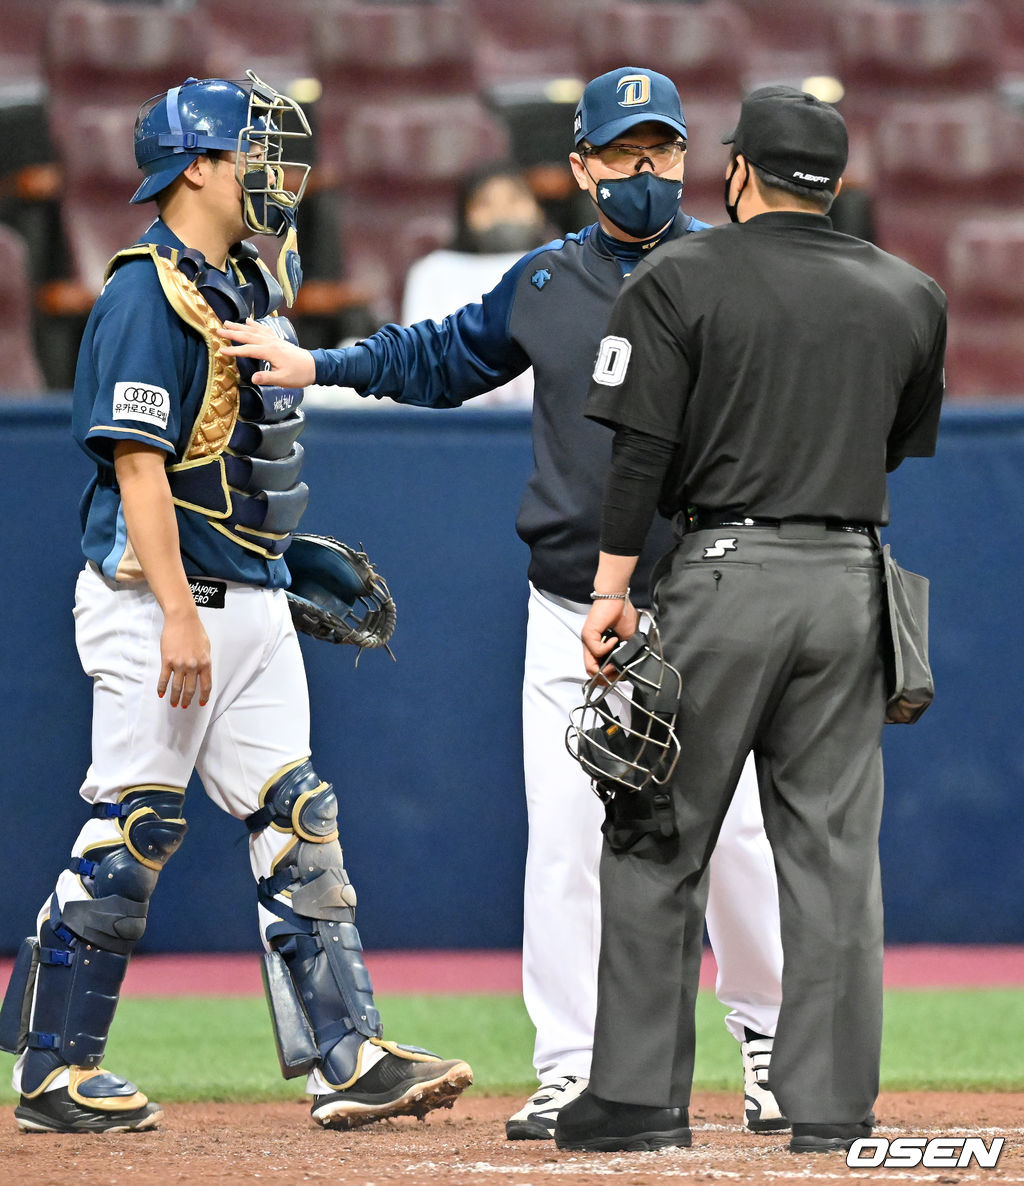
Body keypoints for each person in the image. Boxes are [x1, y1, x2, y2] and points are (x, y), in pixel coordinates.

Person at [220, 66, 787, 1141]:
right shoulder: (545, 282)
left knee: (738, 835)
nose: (644, 172)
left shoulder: (733, 270)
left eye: (660, 151)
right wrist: (318, 361)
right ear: (579, 166)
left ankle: (773, 1046)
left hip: (710, 599)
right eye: (621, 153)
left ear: (687, 160)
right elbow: (437, 358)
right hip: (569, 608)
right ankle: (572, 1064)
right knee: (566, 843)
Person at [0, 73, 471, 1134]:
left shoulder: (242, 286)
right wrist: (175, 606)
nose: (270, 172)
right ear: (198, 166)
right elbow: (136, 469)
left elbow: (228, 464)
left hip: (248, 599)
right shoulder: (142, 293)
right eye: (251, 151)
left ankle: (347, 1058)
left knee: (297, 818)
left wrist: (267, 555)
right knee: (133, 826)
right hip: (154, 600)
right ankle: (52, 1071)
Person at [558, 84, 946, 1155]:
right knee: (830, 860)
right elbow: (895, 445)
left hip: (723, 574)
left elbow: (637, 451)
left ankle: (636, 1100)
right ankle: (829, 1110)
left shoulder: (676, 274)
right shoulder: (909, 292)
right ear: (834, 182)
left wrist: (610, 592)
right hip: (850, 580)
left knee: (654, 830)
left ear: (739, 173)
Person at [401, 161, 549, 408]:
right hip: (457, 418)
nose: (502, 214)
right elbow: (421, 359)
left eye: (514, 200)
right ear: (465, 215)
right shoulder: (434, 271)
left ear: (538, 210)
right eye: (486, 204)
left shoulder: (566, 263)